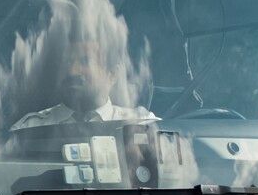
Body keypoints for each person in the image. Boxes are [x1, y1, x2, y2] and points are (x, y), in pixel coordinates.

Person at [10, 26, 155, 131]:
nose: (72, 71)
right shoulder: (28, 130)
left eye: (85, 62)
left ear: (112, 74)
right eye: (67, 62)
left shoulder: (140, 126)